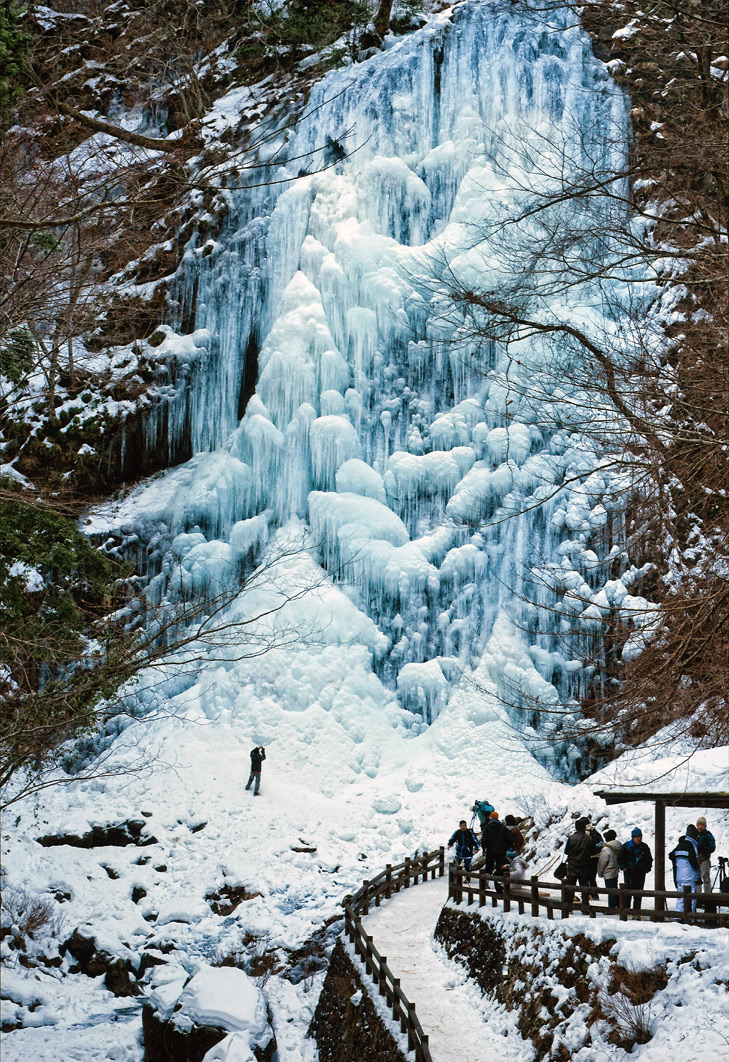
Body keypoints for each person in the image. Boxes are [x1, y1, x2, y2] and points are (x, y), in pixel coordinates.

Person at [564, 817, 599, 910]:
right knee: (584, 887)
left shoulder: (571, 838)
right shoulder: (589, 839)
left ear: (576, 828)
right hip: (584, 865)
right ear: (584, 827)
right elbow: (593, 851)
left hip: (572, 865)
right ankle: (585, 907)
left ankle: (569, 907)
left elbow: (566, 851)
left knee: (571, 886)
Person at [617, 828, 653, 910]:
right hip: (629, 872)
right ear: (633, 837)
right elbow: (620, 858)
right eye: (637, 837)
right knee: (628, 891)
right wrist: (624, 867)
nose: (638, 839)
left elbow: (649, 859)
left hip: (640, 872)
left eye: (640, 836)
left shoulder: (644, 847)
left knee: (639, 892)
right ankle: (627, 909)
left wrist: (646, 869)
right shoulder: (626, 846)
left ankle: (636, 910)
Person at [669, 825, 701, 912]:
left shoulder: (679, 846)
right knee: (692, 898)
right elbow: (694, 862)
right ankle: (690, 918)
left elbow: (671, 855)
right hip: (690, 877)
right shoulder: (692, 846)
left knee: (680, 898)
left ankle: (679, 917)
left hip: (679, 877)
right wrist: (698, 872)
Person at [483, 811, 513, 891]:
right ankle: (499, 885)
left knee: (489, 866)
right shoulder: (503, 827)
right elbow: (510, 839)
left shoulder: (487, 827)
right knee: (500, 867)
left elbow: (484, 840)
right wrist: (505, 847)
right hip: (501, 851)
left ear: (491, 817)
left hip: (490, 851)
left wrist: (484, 848)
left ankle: (486, 881)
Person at [596, 828, 621, 910]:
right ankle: (618, 904)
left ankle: (611, 908)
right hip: (616, 870)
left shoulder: (606, 849)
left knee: (610, 891)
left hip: (608, 871)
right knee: (615, 888)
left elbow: (602, 862)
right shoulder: (619, 846)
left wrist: (600, 872)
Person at [696, 816, 716, 894]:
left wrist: (704, 852)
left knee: (706, 879)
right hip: (697, 860)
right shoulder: (695, 835)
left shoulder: (708, 835)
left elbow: (712, 847)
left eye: (702, 825)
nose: (700, 827)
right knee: (698, 879)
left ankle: (707, 897)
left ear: (705, 826)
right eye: (699, 825)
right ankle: (698, 897)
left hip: (704, 859)